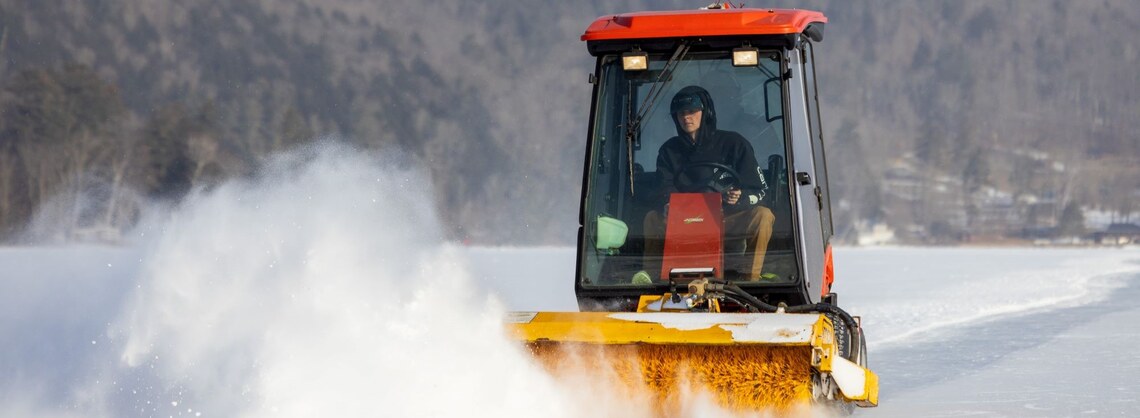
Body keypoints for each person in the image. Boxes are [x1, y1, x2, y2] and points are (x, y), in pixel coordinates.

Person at [642, 85, 775, 281]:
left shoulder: (734, 144)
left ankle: (750, 280)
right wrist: (667, 204)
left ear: (706, 113)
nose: (686, 117)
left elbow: (760, 189)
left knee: (763, 216)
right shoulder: (669, 151)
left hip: (726, 219)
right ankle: (649, 280)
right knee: (652, 219)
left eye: (691, 111)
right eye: (680, 113)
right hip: (683, 220)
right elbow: (664, 185)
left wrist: (740, 197)